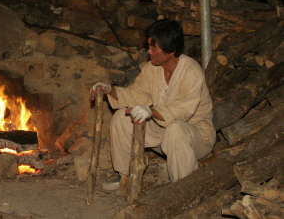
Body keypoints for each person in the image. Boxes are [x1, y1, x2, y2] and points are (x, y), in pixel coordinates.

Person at [90, 19, 215, 190]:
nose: (149, 51)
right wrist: (109, 89)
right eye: (149, 46)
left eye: (153, 47)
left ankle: (183, 188)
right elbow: (137, 94)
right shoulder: (152, 68)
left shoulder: (191, 72)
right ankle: (125, 177)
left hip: (195, 137)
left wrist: (151, 111)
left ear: (171, 50)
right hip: (163, 131)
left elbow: (183, 111)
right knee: (121, 117)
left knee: (176, 129)